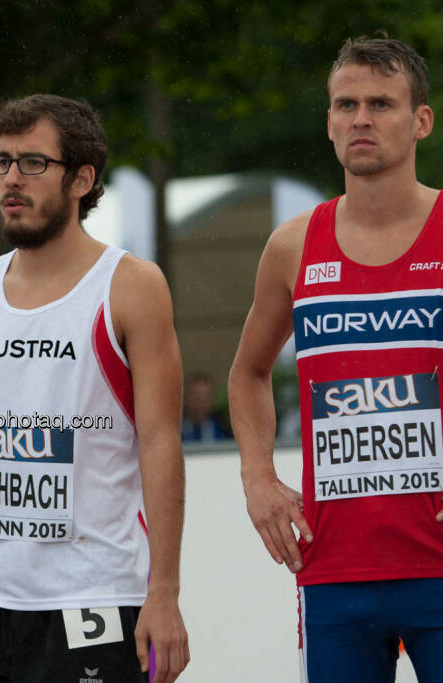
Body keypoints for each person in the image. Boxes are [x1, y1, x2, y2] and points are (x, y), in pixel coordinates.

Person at [0, 94, 189, 682]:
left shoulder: (130, 286)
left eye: (33, 163)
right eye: (1, 162)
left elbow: (161, 444)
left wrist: (165, 592)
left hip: (92, 598)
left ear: (82, 179)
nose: (11, 179)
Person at [228, 36, 443, 683]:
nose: (361, 119)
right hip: (335, 571)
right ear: (327, 121)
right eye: (346, 104)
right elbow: (247, 372)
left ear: (421, 120)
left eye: (381, 103)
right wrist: (258, 477)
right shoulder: (294, 246)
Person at [181, 372, 229, 442]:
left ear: (213, 400)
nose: (200, 403)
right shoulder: (175, 430)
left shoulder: (224, 431)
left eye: (205, 397)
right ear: (185, 398)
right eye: (196, 397)